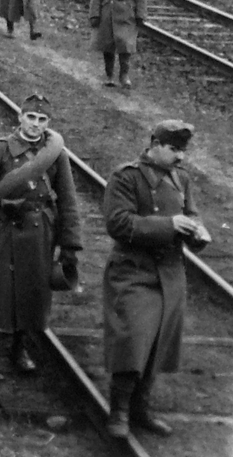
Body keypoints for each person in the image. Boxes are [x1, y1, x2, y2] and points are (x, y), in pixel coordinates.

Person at [102, 120, 212, 439]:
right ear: (155, 144)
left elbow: (191, 214)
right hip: (133, 272)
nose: (180, 157)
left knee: (158, 344)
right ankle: (119, 410)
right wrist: (169, 225)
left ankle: (141, 408)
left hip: (170, 275)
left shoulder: (182, 180)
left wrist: (197, 231)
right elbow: (118, 223)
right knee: (133, 339)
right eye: (174, 149)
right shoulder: (127, 176)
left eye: (183, 151)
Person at [0, 95, 81, 377]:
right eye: (31, 118)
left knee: (33, 292)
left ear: (47, 123)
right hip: (3, 227)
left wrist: (70, 243)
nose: (35, 125)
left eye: (42, 120)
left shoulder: (56, 155)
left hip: (39, 231)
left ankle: (19, 349)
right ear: (20, 117)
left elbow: (68, 200)